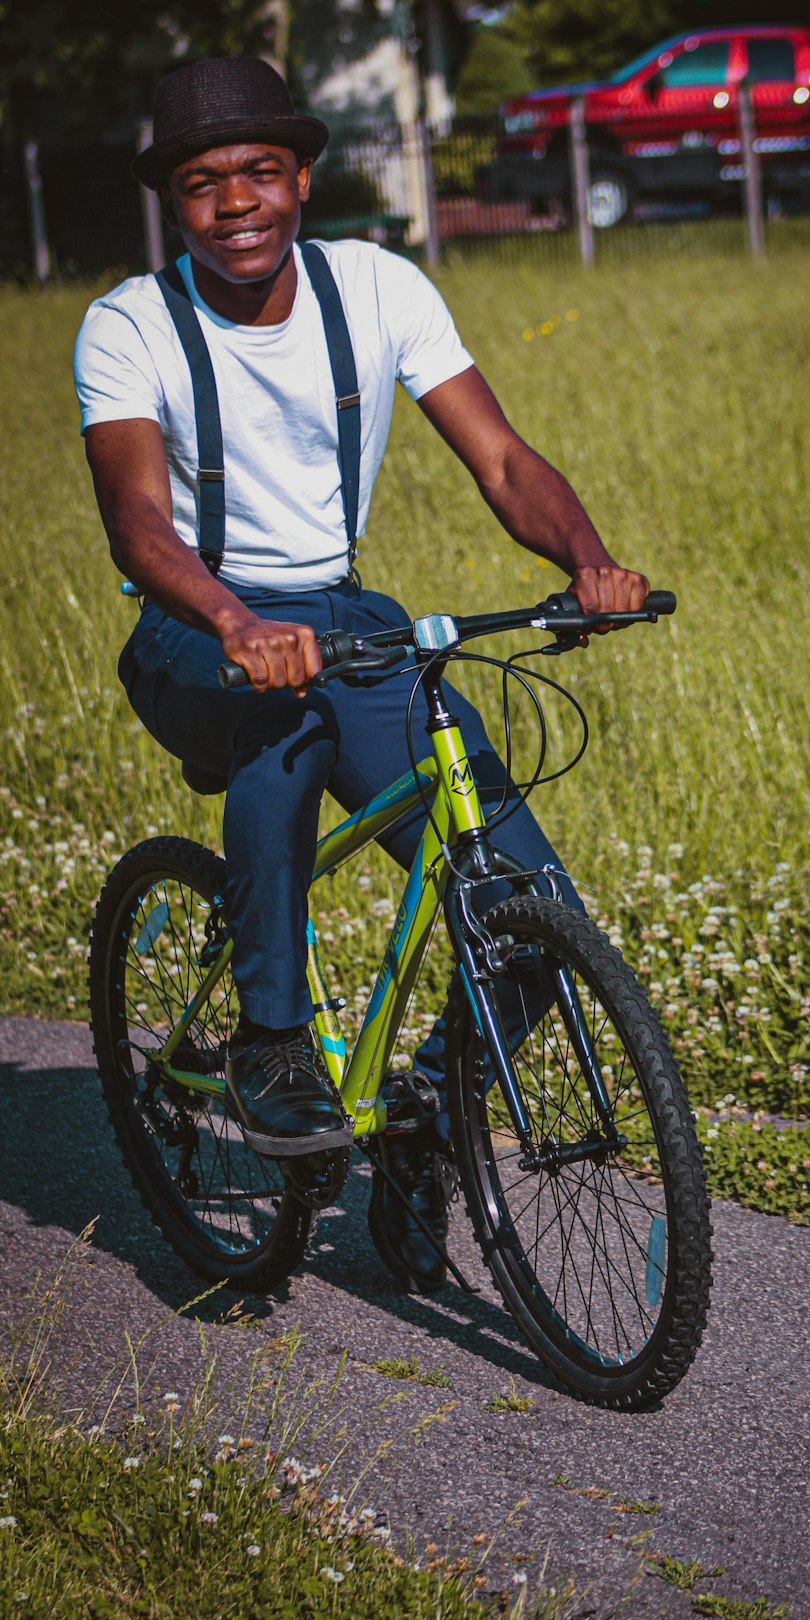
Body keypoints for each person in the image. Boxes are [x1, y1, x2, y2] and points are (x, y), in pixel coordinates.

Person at [75, 55, 648, 1295]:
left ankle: (429, 1112)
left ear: (303, 179)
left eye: (260, 174)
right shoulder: (130, 323)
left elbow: (500, 460)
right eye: (204, 182)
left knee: (524, 908)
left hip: (345, 613)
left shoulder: (381, 288)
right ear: (175, 200)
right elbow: (138, 527)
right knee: (281, 719)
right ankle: (271, 1037)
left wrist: (591, 562)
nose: (237, 203)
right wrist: (232, 620)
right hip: (194, 624)